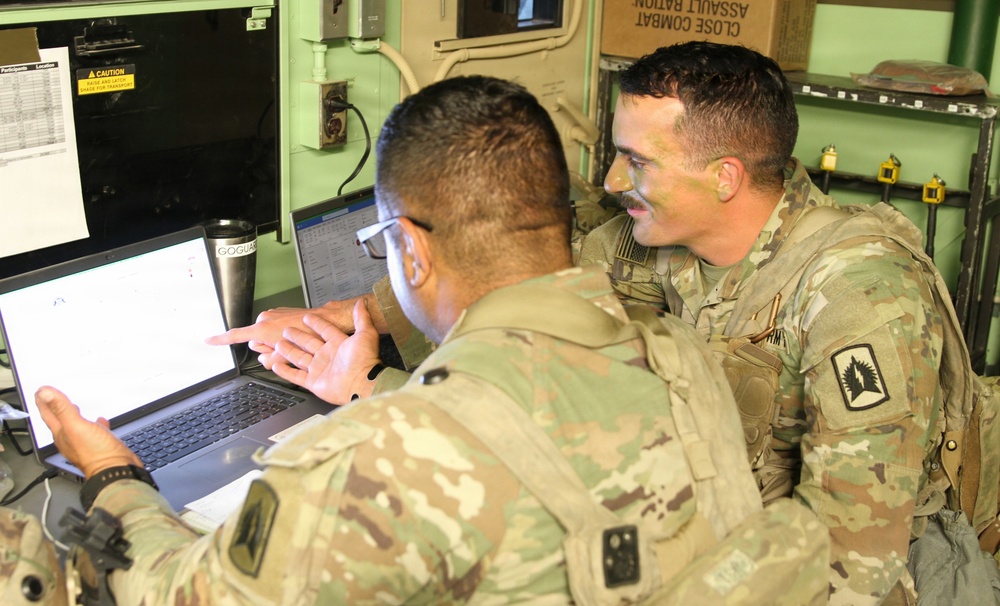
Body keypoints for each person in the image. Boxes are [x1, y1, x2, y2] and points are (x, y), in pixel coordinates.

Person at [211, 43, 964, 604]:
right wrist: (360, 318)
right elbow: (503, 259)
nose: (611, 182)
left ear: (725, 176)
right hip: (705, 532)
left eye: (637, 163)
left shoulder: (860, 296)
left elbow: (852, 563)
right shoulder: (640, 239)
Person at [32, 75, 827, 604]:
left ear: (412, 246)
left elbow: (186, 593)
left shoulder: (387, 457)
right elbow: (536, 438)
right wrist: (367, 385)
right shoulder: (673, 353)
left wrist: (112, 471)